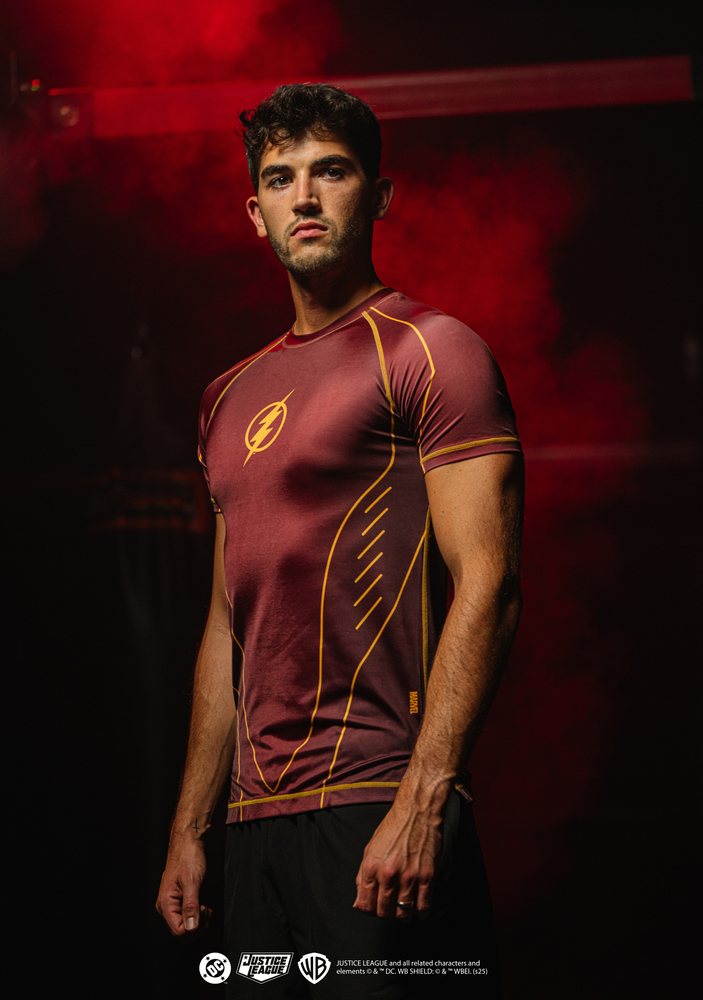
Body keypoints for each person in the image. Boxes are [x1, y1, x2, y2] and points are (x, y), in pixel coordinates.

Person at [156, 83, 523, 997]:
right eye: (281, 179)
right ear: (256, 213)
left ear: (380, 195)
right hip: (255, 830)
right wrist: (191, 829)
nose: (306, 197)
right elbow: (225, 627)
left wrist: (424, 799)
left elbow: (490, 582)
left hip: (376, 803)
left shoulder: (432, 350)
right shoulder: (225, 397)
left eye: (332, 171)